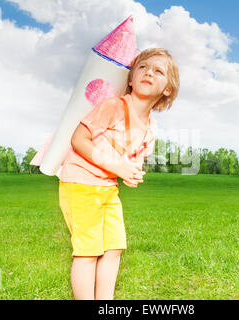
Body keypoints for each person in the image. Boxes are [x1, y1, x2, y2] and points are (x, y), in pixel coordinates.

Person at [58, 48, 180, 300]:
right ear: (131, 79)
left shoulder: (150, 129)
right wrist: (119, 167)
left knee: (113, 249)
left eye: (158, 71)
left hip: (107, 188)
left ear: (167, 89)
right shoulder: (113, 106)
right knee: (88, 251)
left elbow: (129, 161)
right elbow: (79, 139)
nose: (149, 72)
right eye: (143, 67)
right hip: (80, 181)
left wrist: (131, 172)